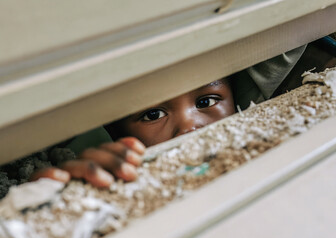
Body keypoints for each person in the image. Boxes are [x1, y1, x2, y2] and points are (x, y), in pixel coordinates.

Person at [31, 45, 313, 188]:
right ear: (117, 135)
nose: (189, 126)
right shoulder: (116, 168)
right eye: (153, 114)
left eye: (205, 101)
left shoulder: (248, 120)